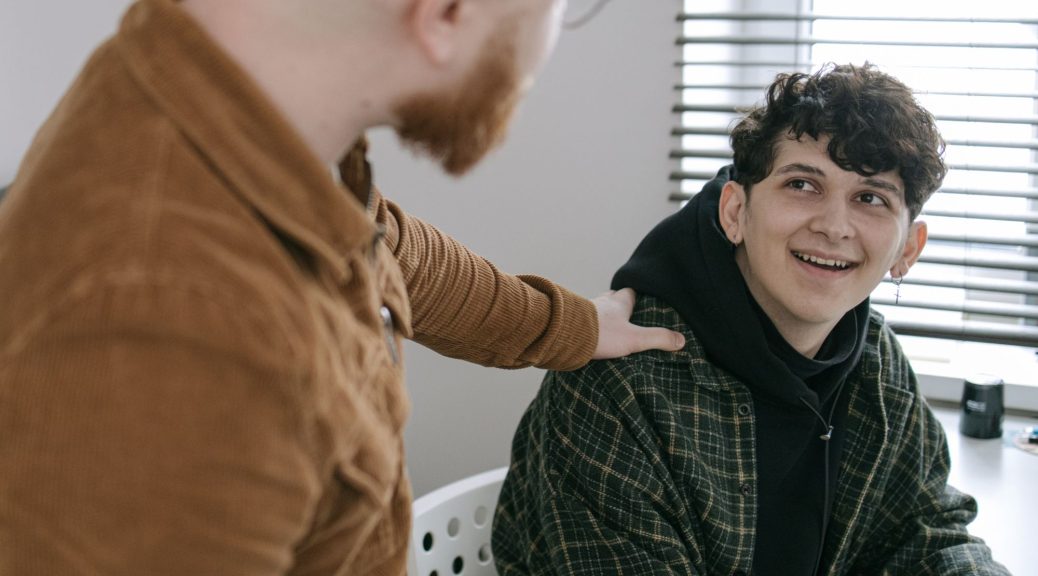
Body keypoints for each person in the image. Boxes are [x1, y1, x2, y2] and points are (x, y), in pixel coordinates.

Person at [0, 0, 685, 574]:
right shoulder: (173, 322)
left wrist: (572, 324)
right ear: (446, 14)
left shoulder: (242, 112)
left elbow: (393, 254)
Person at [493, 63, 1011, 575]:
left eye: (870, 198)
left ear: (907, 250)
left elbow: (925, 532)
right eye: (802, 185)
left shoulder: (877, 364)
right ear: (735, 212)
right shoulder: (619, 386)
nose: (834, 226)